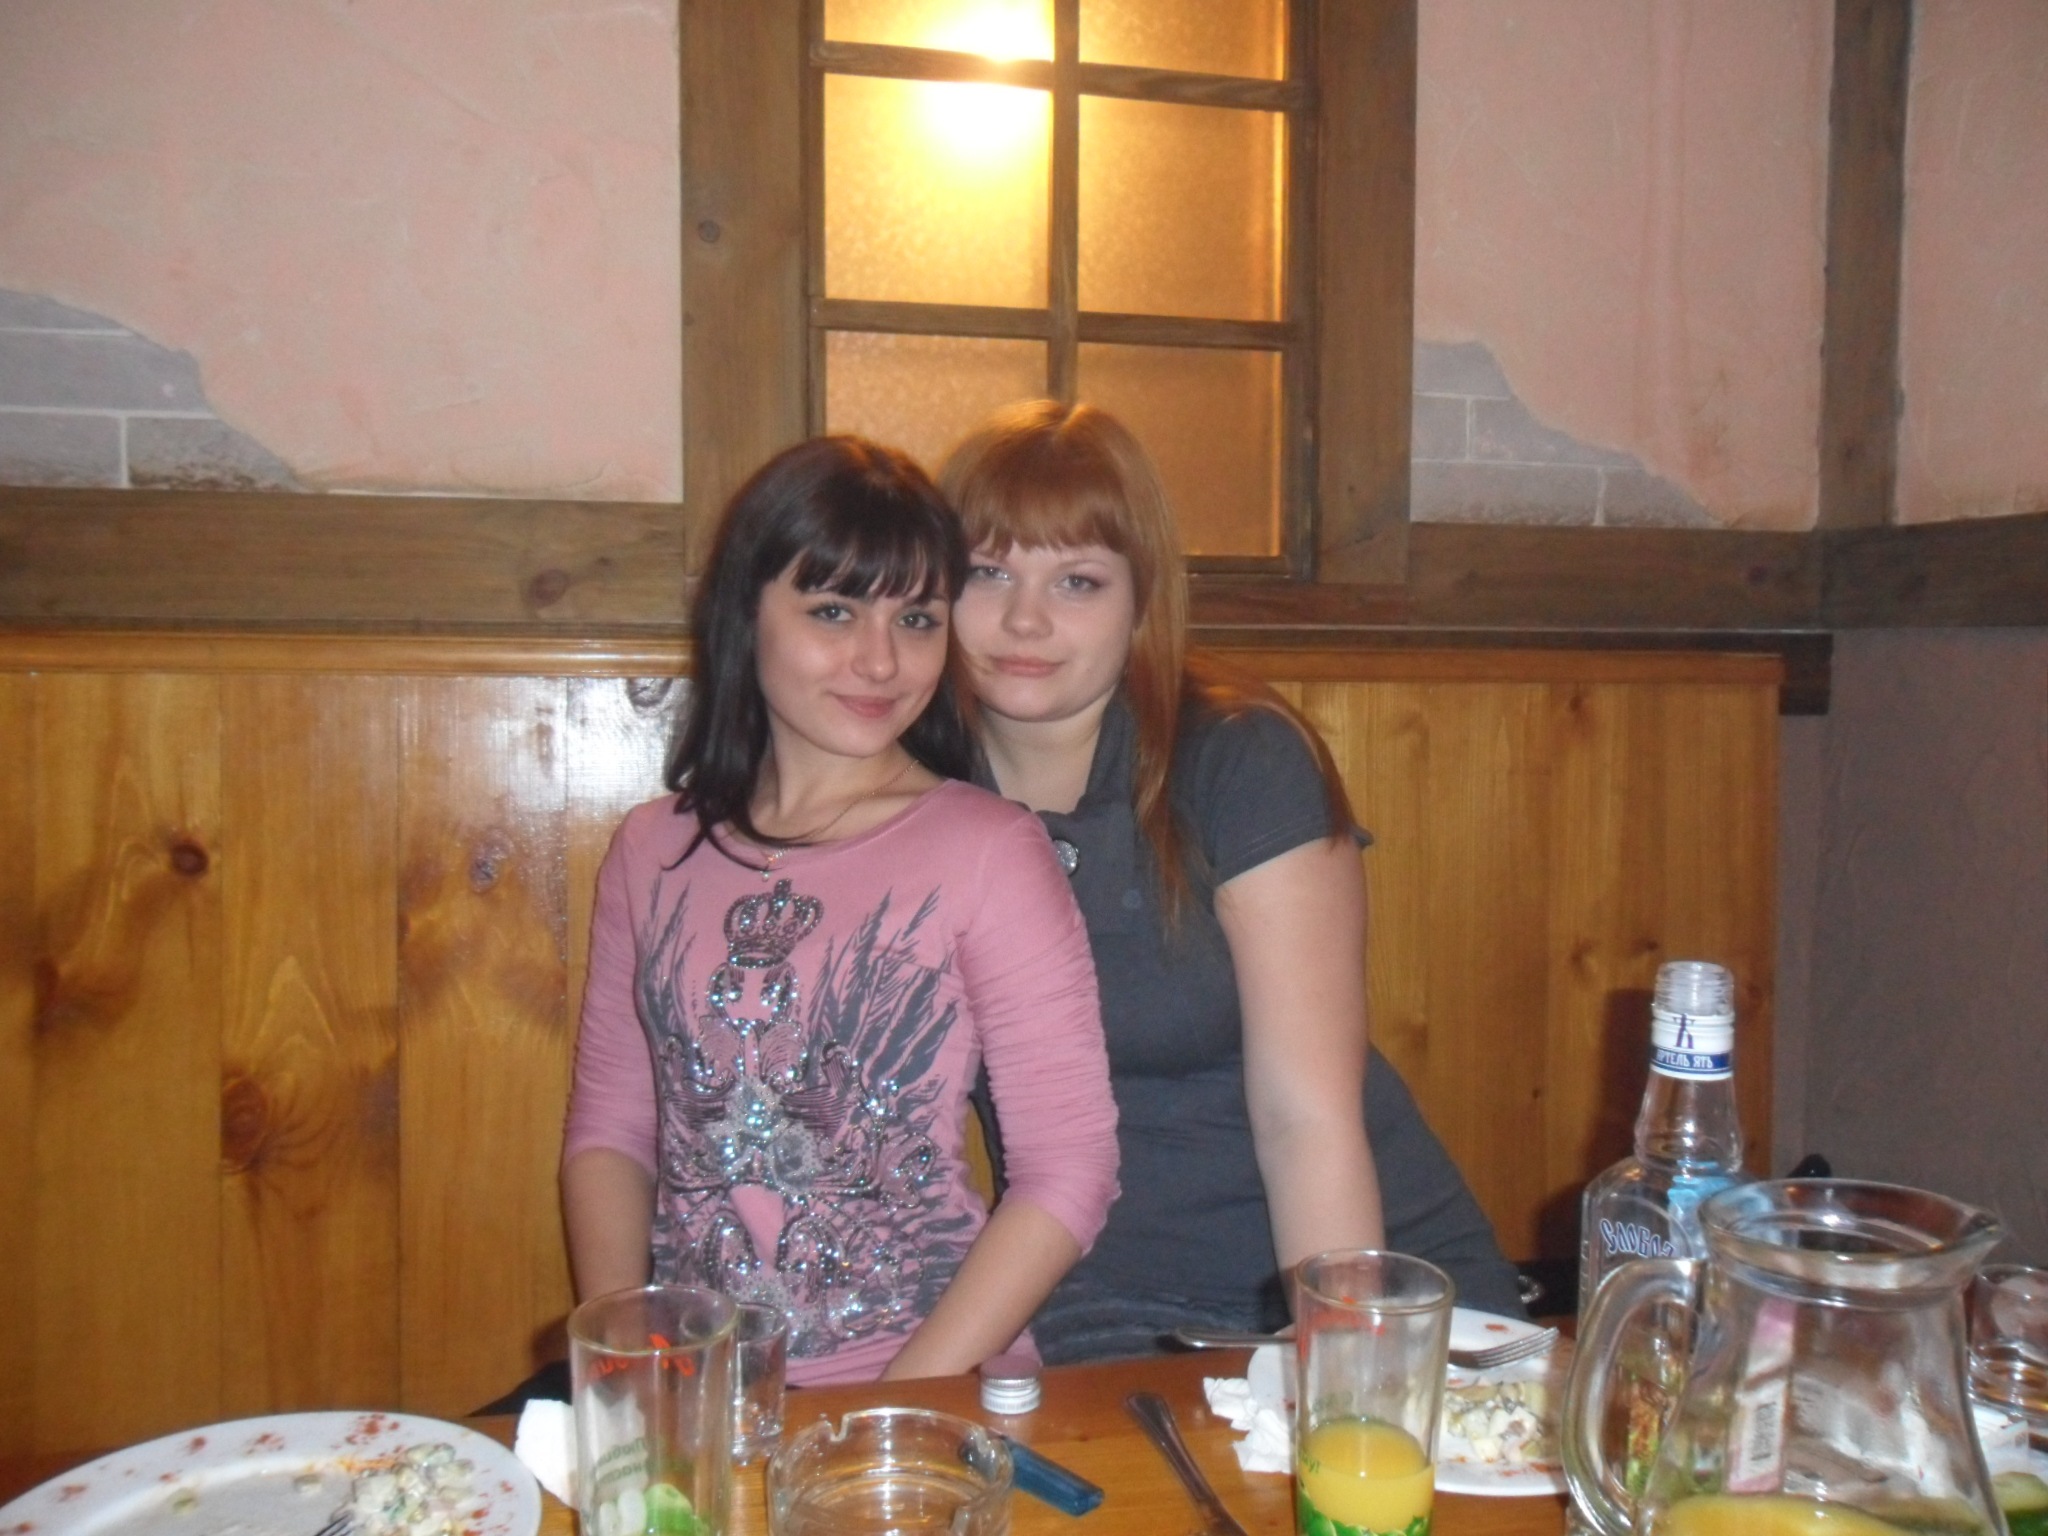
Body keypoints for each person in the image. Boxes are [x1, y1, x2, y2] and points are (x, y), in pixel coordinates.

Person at [940, 401, 1525, 1361]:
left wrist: (1344, 1373)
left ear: (1142, 600)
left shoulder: (1238, 757)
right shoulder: (916, 789)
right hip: (1087, 1300)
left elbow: (1306, 1120)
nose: (1025, 619)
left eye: (1078, 581)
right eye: (988, 572)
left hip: (1348, 1282)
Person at [561, 435, 1120, 1384]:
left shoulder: (989, 849)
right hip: (697, 1388)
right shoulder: (652, 849)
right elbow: (611, 1136)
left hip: (922, 1383)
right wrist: (629, 1369)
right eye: (833, 610)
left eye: (916, 619)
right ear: (746, 611)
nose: (880, 660)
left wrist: (884, 1418)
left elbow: (1069, 1171)